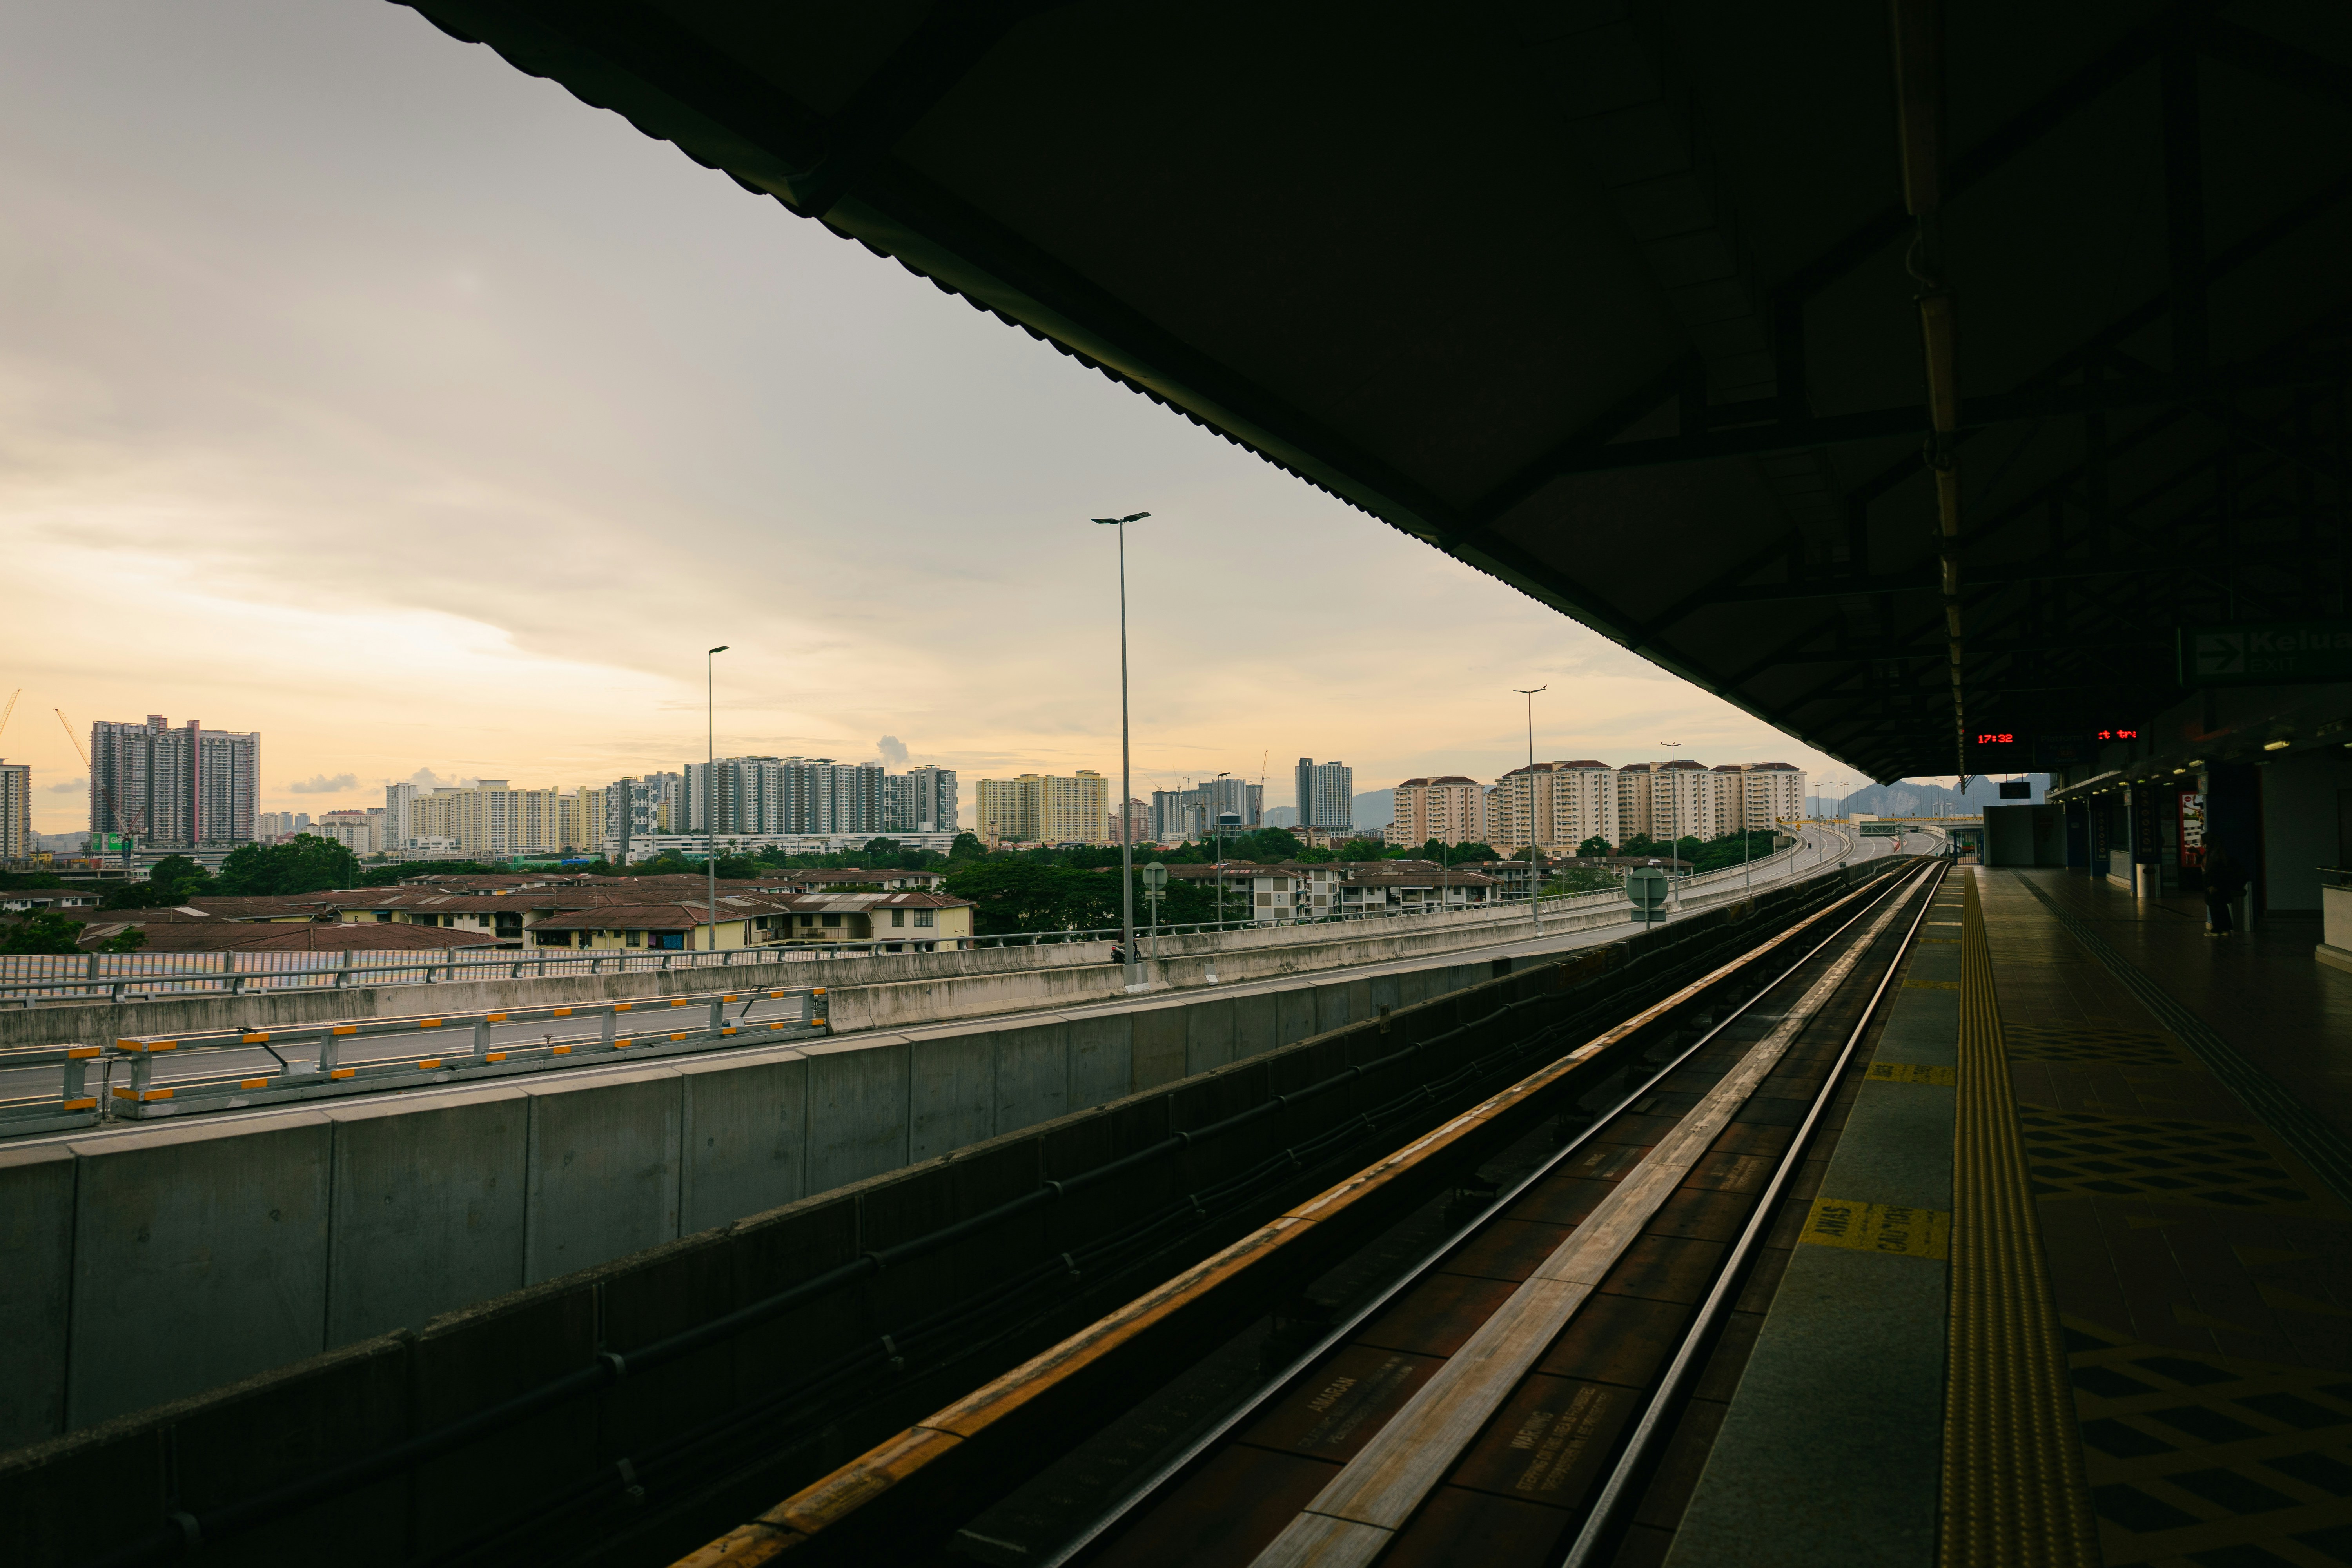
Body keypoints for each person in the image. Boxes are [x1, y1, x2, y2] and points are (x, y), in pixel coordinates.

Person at [2204, 843, 2249, 937]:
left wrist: (2214, 886)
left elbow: (2214, 874)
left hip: (2215, 889)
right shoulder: (2224, 858)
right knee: (2223, 908)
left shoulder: (2214, 861)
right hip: (2223, 889)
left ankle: (2217, 930)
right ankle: (2226, 929)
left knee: (2215, 909)